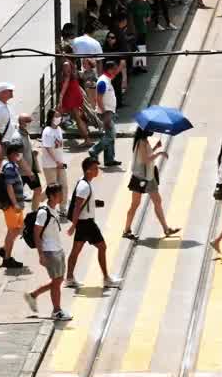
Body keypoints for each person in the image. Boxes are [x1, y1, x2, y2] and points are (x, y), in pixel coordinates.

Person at [65, 157, 121, 288]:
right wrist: (73, 225)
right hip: (87, 224)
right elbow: (78, 206)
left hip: (83, 223)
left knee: (75, 251)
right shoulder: (84, 186)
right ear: (88, 170)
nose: (97, 170)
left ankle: (69, 278)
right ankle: (106, 278)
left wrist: (94, 203)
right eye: (95, 168)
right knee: (102, 247)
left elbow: (83, 203)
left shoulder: (83, 182)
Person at [24, 184, 72, 321]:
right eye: (59, 194)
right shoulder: (44, 212)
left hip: (57, 249)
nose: (62, 196)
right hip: (50, 251)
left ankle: (33, 295)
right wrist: (41, 255)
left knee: (58, 280)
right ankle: (56, 311)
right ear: (51, 196)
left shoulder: (53, 209)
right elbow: (36, 233)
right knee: (57, 282)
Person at [122, 127, 180, 240]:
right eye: (149, 129)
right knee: (135, 204)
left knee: (157, 201)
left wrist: (154, 148)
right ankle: (126, 230)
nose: (151, 131)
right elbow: (145, 160)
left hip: (149, 176)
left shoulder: (144, 141)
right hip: (141, 178)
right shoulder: (141, 142)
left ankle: (166, 228)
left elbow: (145, 156)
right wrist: (160, 153)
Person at [88, 60, 124, 169]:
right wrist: (104, 114)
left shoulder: (107, 79)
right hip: (105, 113)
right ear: (110, 69)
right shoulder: (103, 81)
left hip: (109, 112)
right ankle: (94, 151)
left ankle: (109, 159)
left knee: (110, 136)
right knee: (111, 135)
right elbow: (98, 99)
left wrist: (121, 67)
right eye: (114, 69)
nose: (116, 71)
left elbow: (116, 72)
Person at [0, 143, 27, 270]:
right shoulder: (9, 167)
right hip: (12, 206)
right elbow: (9, 187)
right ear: (11, 154)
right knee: (13, 230)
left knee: (19, 228)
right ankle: (7, 258)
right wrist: (15, 203)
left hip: (17, 204)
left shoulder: (13, 165)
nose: (18, 155)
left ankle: (4, 250)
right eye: (16, 153)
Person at [40, 110, 67, 201]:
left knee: (64, 186)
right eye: (56, 116)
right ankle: (38, 199)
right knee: (52, 189)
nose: (59, 118)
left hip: (60, 164)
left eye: (60, 115)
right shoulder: (47, 131)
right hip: (50, 165)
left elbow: (59, 148)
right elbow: (48, 149)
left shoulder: (59, 129)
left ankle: (63, 209)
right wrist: (57, 161)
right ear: (51, 118)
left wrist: (61, 162)